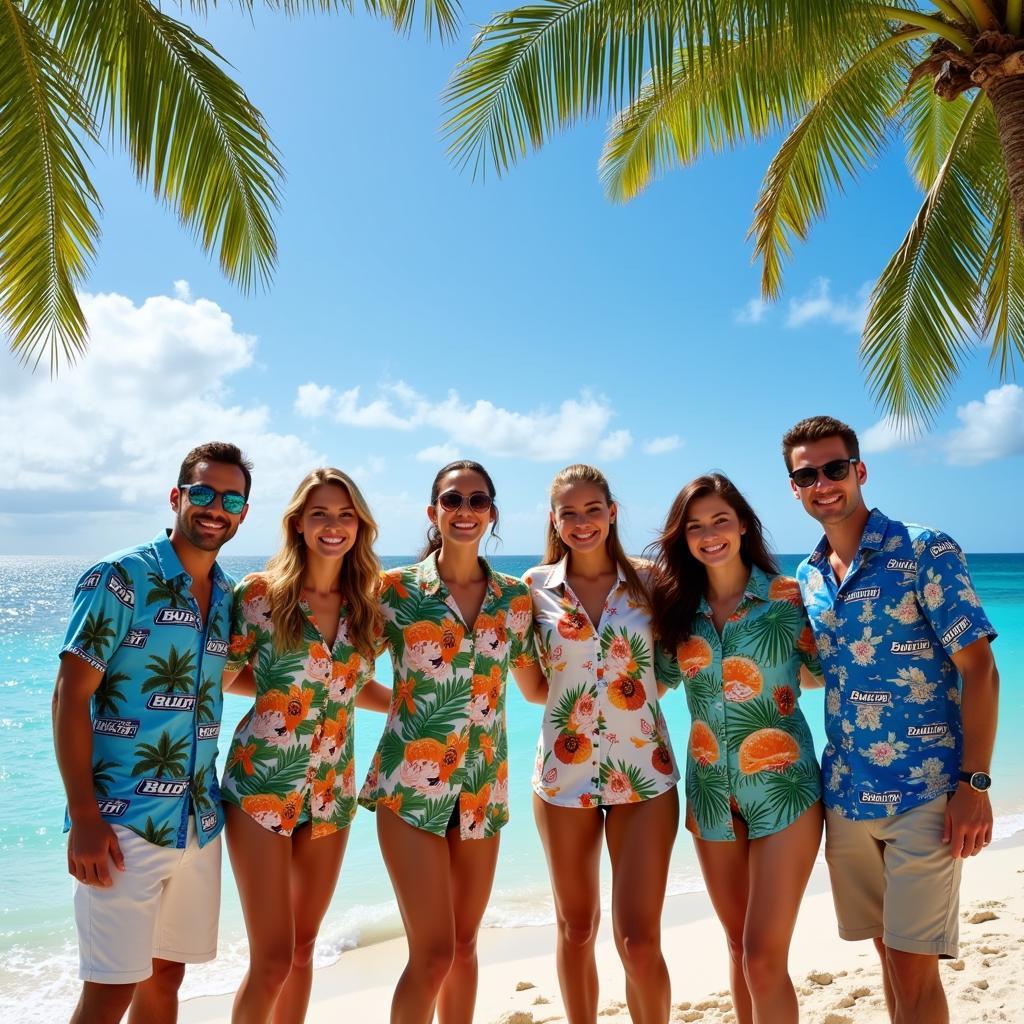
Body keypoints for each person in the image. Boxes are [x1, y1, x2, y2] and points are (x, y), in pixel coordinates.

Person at [782, 415, 999, 1024]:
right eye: (807, 475)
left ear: (860, 471)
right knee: (887, 958)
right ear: (794, 488)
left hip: (926, 793)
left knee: (913, 967)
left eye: (834, 468)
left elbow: (981, 669)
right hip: (846, 795)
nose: (822, 483)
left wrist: (974, 785)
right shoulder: (808, 576)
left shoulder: (925, 549)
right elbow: (819, 669)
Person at [53, 441, 252, 1024]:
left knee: (167, 977)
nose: (216, 507)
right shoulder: (121, 577)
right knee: (110, 990)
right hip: (121, 821)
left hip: (199, 818)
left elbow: (217, 677)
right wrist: (85, 819)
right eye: (204, 493)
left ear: (243, 512)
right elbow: (70, 696)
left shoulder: (227, 596)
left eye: (232, 498)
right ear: (177, 497)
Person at [358, 460, 537, 1024]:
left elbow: (535, 685)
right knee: (433, 953)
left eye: (477, 500)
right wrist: (402, 705)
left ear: (492, 513)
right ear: (433, 512)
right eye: (452, 500)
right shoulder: (392, 591)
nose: (465, 511)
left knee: (464, 946)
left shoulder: (515, 599)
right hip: (406, 788)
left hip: (483, 787)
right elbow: (342, 671)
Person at [649, 473, 823, 1024]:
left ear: (743, 524)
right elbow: (652, 681)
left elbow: (827, 669)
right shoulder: (679, 608)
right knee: (738, 949)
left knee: (762, 957)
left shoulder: (788, 596)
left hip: (785, 787)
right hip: (709, 793)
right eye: (695, 526)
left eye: (720, 520)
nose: (709, 534)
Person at [220, 467, 391, 1024]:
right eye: (320, 513)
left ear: (359, 525)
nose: (333, 525)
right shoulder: (260, 596)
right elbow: (222, 675)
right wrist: (276, 690)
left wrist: (403, 704)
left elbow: (346, 684)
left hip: (332, 790)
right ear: (297, 523)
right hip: (259, 784)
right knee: (271, 958)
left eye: (345, 515)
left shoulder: (367, 605)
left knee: (301, 950)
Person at [514, 464, 680, 1024]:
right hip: (563, 777)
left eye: (593, 510)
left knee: (638, 941)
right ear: (555, 521)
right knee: (576, 927)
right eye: (569, 513)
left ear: (612, 513)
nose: (582, 522)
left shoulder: (654, 582)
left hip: (646, 774)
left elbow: (676, 667)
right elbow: (534, 687)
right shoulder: (533, 590)